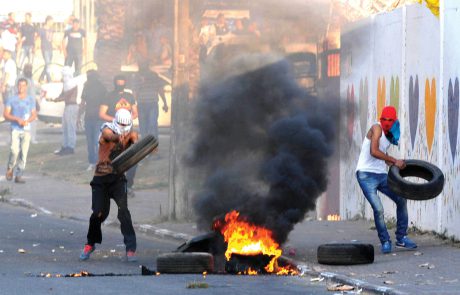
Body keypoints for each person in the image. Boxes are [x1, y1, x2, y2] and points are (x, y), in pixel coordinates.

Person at [356, 106, 417, 254]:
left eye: (390, 120)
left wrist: (393, 163)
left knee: (401, 199)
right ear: (380, 118)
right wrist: (394, 160)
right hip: (365, 175)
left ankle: (401, 238)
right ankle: (385, 241)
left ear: (394, 120)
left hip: (381, 175)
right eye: (385, 119)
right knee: (378, 209)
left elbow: (382, 154)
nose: (387, 123)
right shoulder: (376, 128)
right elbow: (374, 151)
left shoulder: (390, 134)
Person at [80, 109, 138, 262]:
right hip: (101, 179)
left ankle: (131, 249)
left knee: (123, 211)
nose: (124, 126)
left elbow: (137, 144)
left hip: (118, 180)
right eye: (121, 124)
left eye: (126, 124)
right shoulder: (107, 128)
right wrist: (119, 138)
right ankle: (90, 244)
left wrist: (133, 139)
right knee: (98, 214)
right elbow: (108, 135)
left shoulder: (131, 133)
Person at [99, 75, 138, 197]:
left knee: (133, 159)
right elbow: (101, 114)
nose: (120, 84)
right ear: (115, 83)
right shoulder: (108, 96)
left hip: (128, 132)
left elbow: (135, 112)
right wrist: (116, 120)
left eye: (122, 82)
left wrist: (128, 119)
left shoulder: (130, 96)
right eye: (118, 82)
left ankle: (129, 186)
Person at [4, 78, 37, 183]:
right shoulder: (12, 99)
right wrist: (17, 119)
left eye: (23, 85)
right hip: (15, 128)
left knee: (24, 153)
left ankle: (19, 175)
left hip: (26, 129)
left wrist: (27, 121)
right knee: (14, 150)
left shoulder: (30, 99)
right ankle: (10, 168)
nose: (21, 87)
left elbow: (34, 114)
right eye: (19, 85)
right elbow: (6, 114)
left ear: (26, 87)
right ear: (16, 86)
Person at [79, 70, 107, 170]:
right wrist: (79, 115)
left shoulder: (101, 88)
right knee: (90, 141)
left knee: (96, 141)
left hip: (98, 118)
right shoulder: (86, 87)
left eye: (90, 76)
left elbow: (106, 103)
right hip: (88, 118)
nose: (88, 78)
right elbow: (83, 102)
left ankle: (100, 161)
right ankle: (92, 162)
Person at [134, 64, 168, 139]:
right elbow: (135, 91)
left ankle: (152, 144)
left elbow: (160, 89)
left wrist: (165, 103)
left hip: (152, 103)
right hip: (142, 104)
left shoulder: (154, 76)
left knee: (152, 124)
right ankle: (146, 144)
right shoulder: (137, 77)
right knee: (144, 126)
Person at [51, 67, 79, 155]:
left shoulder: (72, 83)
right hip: (67, 107)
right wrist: (55, 98)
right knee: (65, 127)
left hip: (72, 106)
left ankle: (70, 147)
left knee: (70, 127)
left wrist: (57, 100)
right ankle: (65, 146)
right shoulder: (66, 84)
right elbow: (62, 94)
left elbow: (66, 96)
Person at [17, 64, 39, 144]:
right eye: (28, 68)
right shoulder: (20, 78)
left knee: (32, 122)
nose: (29, 70)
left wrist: (36, 103)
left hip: (32, 104)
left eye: (30, 68)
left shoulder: (31, 79)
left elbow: (33, 92)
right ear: (24, 69)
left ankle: (32, 139)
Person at [38, 16, 54, 83]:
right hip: (44, 48)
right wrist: (37, 47)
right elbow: (38, 39)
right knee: (48, 64)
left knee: (48, 64)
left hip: (50, 48)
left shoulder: (51, 29)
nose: (52, 23)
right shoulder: (41, 30)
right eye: (51, 21)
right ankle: (49, 79)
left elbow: (51, 39)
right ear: (47, 21)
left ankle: (41, 77)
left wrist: (57, 46)